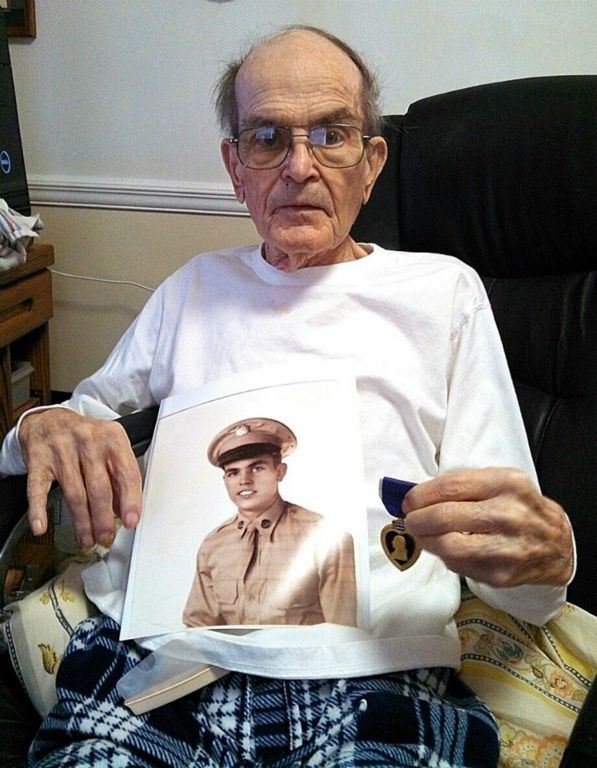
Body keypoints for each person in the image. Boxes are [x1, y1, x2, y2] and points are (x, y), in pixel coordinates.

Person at [0, 24, 574, 768]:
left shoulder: (442, 292)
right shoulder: (192, 290)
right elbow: (74, 426)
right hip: (154, 667)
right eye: (267, 137)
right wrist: (40, 422)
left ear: (371, 166)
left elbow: (515, 566)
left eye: (331, 135)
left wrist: (546, 564)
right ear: (235, 167)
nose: (299, 167)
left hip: (375, 674)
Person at [182, 417, 357, 627]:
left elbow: (342, 632)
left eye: (257, 468)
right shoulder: (213, 545)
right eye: (233, 472)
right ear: (225, 481)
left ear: (279, 472)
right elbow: (198, 628)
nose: (244, 480)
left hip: (300, 659)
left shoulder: (324, 537)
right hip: (230, 660)